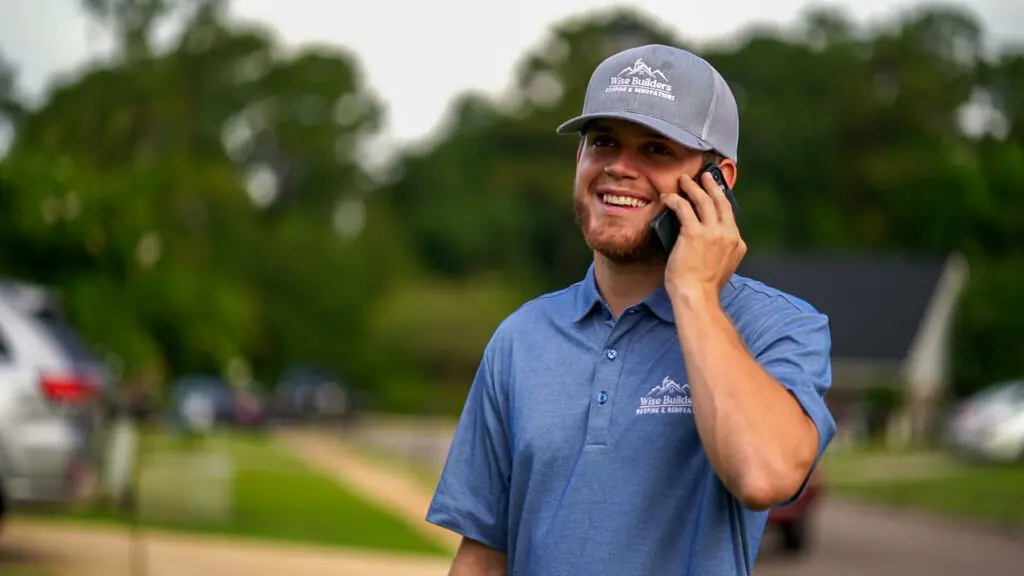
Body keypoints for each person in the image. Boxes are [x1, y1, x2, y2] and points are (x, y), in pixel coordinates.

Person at [425, 44, 835, 576]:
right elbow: (482, 556)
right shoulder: (521, 337)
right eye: (603, 142)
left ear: (719, 181)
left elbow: (765, 475)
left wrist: (692, 292)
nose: (619, 167)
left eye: (656, 150)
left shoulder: (779, 327)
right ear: (580, 159)